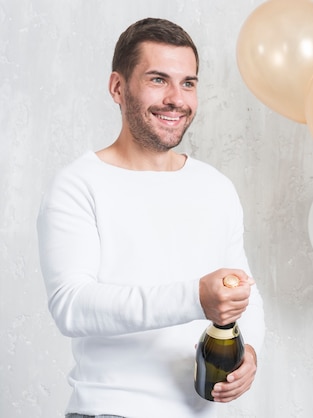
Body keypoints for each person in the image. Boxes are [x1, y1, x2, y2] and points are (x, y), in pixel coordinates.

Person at [37, 17, 265, 418]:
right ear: (118, 88)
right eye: (158, 80)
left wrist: (251, 350)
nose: (176, 98)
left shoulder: (216, 186)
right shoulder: (78, 184)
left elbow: (244, 290)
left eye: (188, 83)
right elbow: (72, 305)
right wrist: (195, 297)